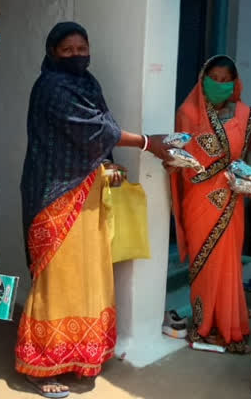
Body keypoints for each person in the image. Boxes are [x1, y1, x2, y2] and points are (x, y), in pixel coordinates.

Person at [15, 22, 172, 398]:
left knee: (90, 275)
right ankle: (39, 365)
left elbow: (103, 126)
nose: (75, 56)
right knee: (58, 278)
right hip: (55, 193)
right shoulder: (51, 86)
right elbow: (93, 129)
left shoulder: (88, 83)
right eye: (66, 50)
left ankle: (80, 356)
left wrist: (110, 162)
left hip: (89, 192)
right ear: (53, 53)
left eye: (81, 48)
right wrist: (150, 143)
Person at [170, 54, 251, 354]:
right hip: (199, 201)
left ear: (234, 83)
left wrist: (249, 179)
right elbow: (182, 160)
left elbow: (248, 156)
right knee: (205, 264)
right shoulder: (188, 113)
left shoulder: (245, 115)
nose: (219, 85)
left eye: (225, 80)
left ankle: (230, 327)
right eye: (214, 79)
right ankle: (203, 326)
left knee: (229, 265)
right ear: (202, 78)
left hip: (233, 201)